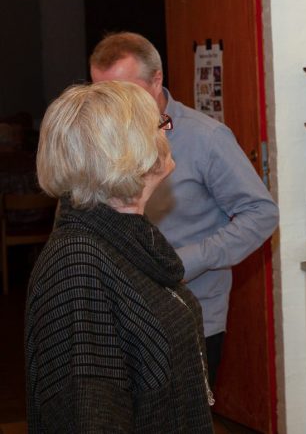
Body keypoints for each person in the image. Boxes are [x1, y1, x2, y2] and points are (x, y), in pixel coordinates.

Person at [89, 32, 279, 383]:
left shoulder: (206, 138)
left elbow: (261, 214)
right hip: (119, 316)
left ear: (156, 80)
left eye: (125, 92)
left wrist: (187, 261)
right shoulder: (96, 140)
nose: (114, 106)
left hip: (192, 316)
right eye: (103, 94)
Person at [25, 81, 214, 432]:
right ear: (125, 152)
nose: (166, 132)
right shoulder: (76, 264)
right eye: (158, 124)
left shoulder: (129, 236)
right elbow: (88, 415)